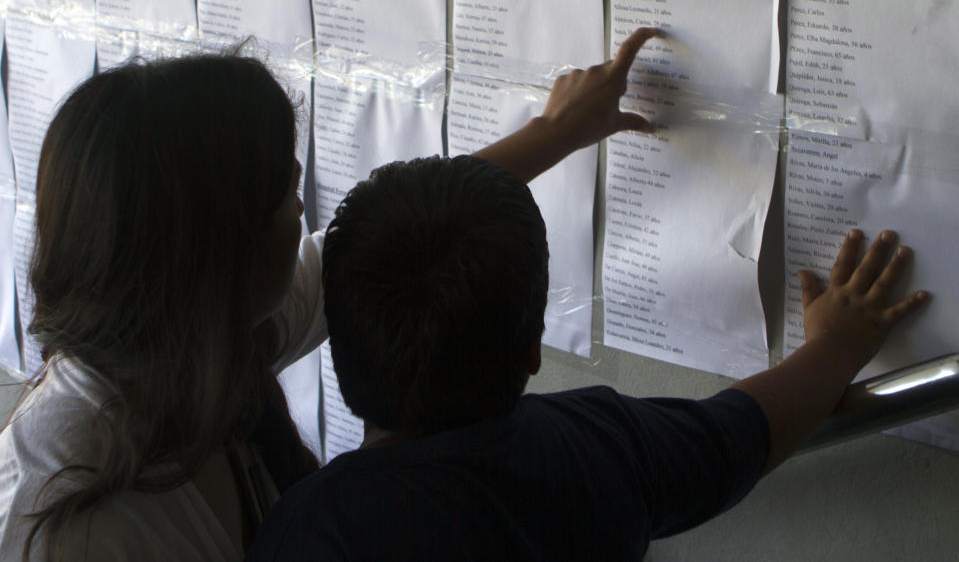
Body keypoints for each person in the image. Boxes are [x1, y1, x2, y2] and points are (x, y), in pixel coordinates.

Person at [0, 28, 662, 562]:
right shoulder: (60, 524)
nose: (304, 209)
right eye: (289, 192)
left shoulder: (191, 342)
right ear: (225, 251)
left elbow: (375, 240)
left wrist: (555, 132)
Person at [246, 154, 929, 561]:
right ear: (531, 347)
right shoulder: (596, 444)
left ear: (337, 347)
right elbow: (741, 431)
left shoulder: (312, 528)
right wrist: (838, 345)